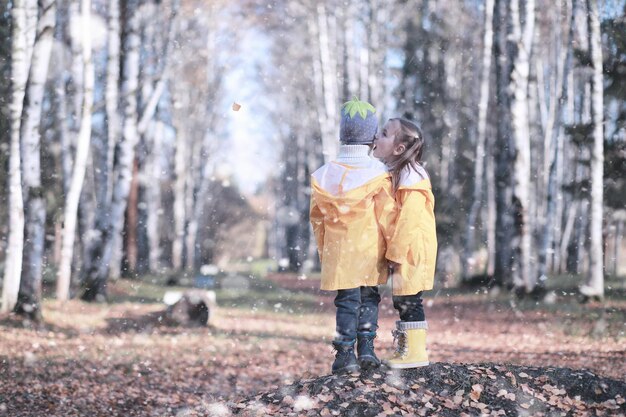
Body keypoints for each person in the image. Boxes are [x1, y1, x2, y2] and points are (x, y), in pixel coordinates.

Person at [310, 97, 395, 374]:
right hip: (369, 250)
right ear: (373, 138)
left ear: (341, 136)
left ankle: (344, 354)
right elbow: (386, 216)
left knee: (346, 301)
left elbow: (317, 220)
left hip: (340, 251)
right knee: (369, 299)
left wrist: (326, 250)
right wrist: (391, 249)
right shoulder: (378, 174)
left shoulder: (324, 176)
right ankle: (367, 350)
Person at [372, 117, 438, 369]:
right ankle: (408, 348)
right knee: (403, 299)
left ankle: (416, 352)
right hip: (405, 250)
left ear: (399, 149)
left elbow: (409, 220)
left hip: (412, 251)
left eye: (385, 134)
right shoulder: (398, 174)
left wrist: (395, 253)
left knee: (410, 299)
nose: (378, 136)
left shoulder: (413, 177)